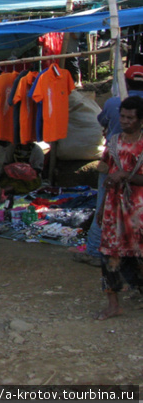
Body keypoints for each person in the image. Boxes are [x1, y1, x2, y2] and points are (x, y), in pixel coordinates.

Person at [79, 66, 143, 266]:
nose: (125, 121)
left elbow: (102, 121)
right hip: (133, 168)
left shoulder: (114, 102)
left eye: (128, 118)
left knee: (105, 207)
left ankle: (96, 252)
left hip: (116, 164)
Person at [95, 95, 143, 320]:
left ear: (140, 120)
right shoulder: (113, 143)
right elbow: (106, 172)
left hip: (138, 210)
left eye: (130, 118)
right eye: (122, 116)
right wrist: (101, 208)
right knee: (109, 256)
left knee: (138, 255)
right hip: (114, 208)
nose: (125, 121)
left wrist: (127, 176)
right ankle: (113, 304)